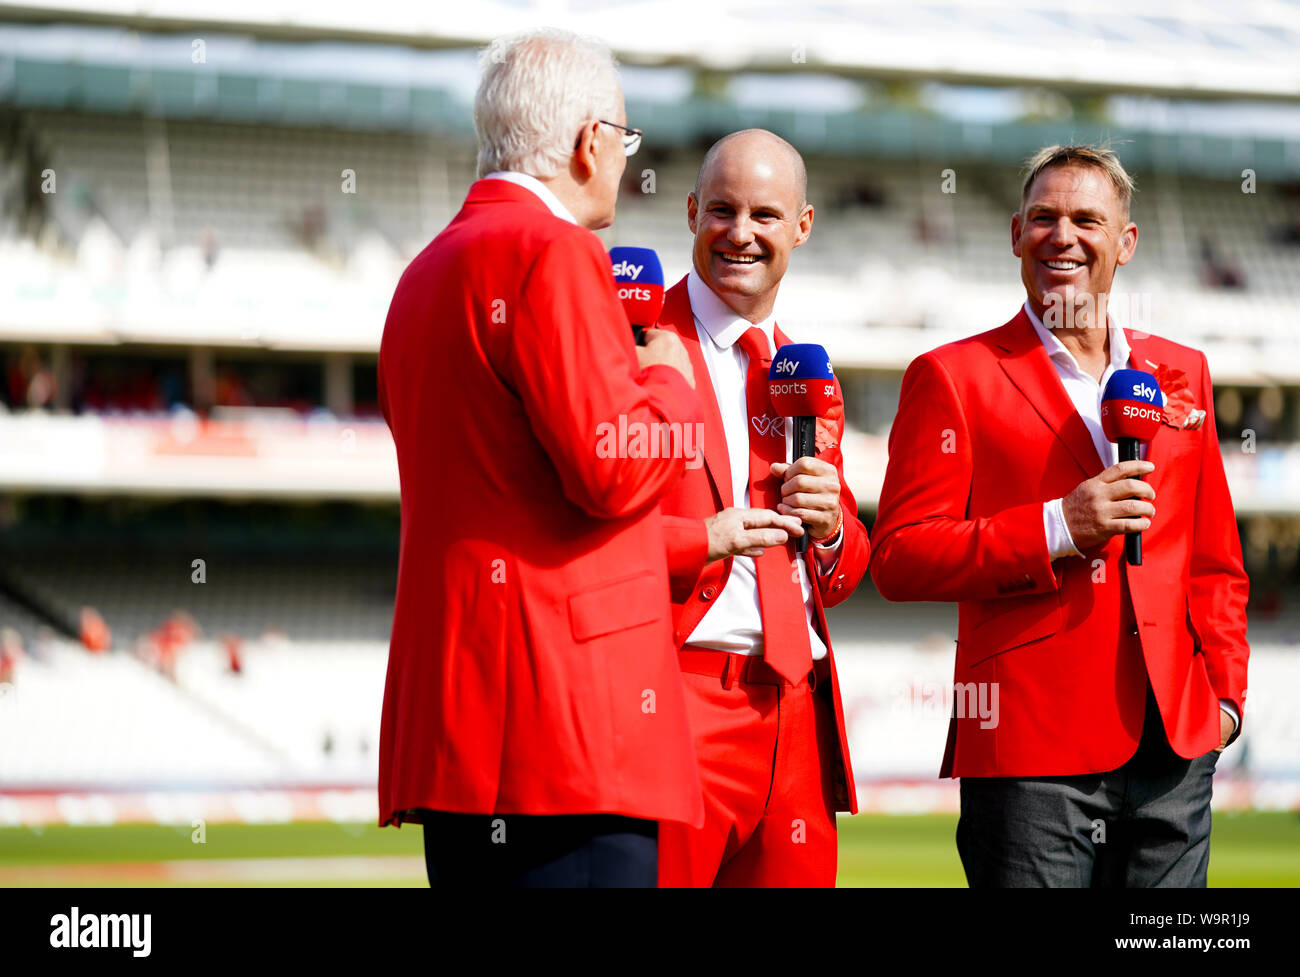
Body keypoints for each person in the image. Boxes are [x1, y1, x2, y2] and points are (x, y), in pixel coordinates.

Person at [377, 28, 705, 888]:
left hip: (459, 722)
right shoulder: (554, 252)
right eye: (626, 140)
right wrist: (671, 385)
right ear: (591, 141)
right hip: (567, 724)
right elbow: (612, 465)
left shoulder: (422, 273)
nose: (626, 163)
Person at [870, 145, 1249, 887]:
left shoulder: (1184, 371)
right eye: (1043, 217)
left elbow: (1213, 558)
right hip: (1030, 757)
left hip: (1175, 748)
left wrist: (1225, 701)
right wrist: (1056, 528)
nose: (1062, 236)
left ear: (1125, 242)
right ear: (1016, 234)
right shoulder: (951, 376)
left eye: (1086, 220)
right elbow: (899, 556)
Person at [654, 130, 869, 887]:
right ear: (691, 212)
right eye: (722, 209)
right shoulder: (633, 343)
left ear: (801, 226)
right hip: (673, 697)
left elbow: (843, 571)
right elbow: (581, 526)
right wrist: (699, 539)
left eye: (765, 215)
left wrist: (833, 530)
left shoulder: (807, 372)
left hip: (797, 713)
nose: (740, 232)